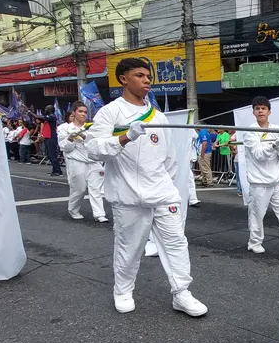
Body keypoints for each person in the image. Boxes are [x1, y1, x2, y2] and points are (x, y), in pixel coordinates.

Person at [84, 57, 207, 317]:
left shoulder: (159, 117)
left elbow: (170, 159)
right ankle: (123, 290)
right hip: (128, 196)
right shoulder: (111, 112)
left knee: (176, 243)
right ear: (123, 79)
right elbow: (93, 149)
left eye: (148, 76)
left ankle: (182, 293)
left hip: (162, 193)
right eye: (140, 75)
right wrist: (126, 136)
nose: (147, 80)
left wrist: (166, 185)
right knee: (130, 247)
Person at [243, 96, 279, 255]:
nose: (260, 111)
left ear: (269, 111)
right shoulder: (250, 132)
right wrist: (274, 145)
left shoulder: (277, 129)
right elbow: (259, 155)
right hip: (259, 183)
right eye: (257, 108)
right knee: (257, 215)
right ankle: (254, 242)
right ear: (253, 112)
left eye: (263, 108)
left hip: (277, 182)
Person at [57, 102, 107, 223]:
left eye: (85, 112)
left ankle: (99, 214)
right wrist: (71, 138)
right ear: (73, 113)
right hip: (76, 161)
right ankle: (73, 209)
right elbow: (65, 148)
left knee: (96, 189)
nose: (83, 114)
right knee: (79, 188)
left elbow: (97, 145)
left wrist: (85, 137)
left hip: (93, 161)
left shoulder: (91, 128)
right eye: (80, 111)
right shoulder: (64, 128)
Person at [42, 105, 63, 176]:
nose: (45, 109)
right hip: (48, 137)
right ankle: (54, 170)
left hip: (51, 137)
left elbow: (39, 117)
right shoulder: (48, 117)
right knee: (50, 155)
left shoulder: (52, 116)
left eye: (46, 108)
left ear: (50, 110)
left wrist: (30, 112)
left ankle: (58, 171)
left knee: (52, 155)